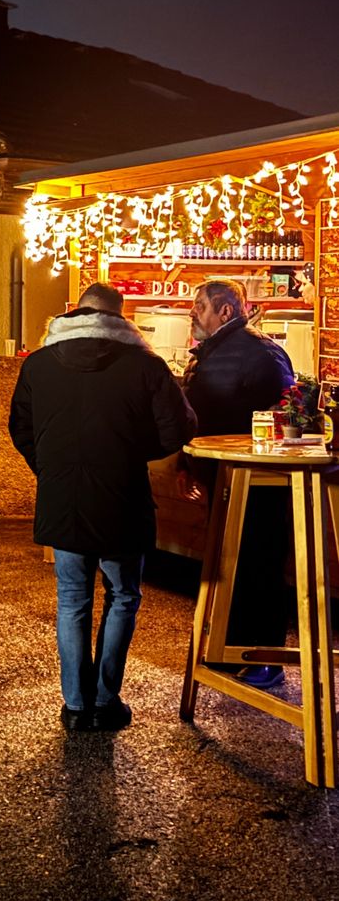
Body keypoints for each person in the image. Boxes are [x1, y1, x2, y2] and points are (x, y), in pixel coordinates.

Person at [9, 283, 197, 731]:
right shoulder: (146, 364)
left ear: (76, 312)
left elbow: (21, 428)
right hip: (123, 497)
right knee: (123, 595)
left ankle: (76, 706)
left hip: (63, 498)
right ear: (121, 316)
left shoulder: (38, 363)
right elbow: (178, 429)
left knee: (72, 599)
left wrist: (51, 468)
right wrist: (130, 450)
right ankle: (105, 699)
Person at [182, 277, 294, 688]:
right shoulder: (216, 351)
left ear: (225, 311)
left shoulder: (260, 354)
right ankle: (233, 653)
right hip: (226, 474)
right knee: (233, 564)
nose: (192, 312)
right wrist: (187, 463)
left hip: (258, 478)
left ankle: (264, 658)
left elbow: (284, 419)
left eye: (199, 306)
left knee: (257, 564)